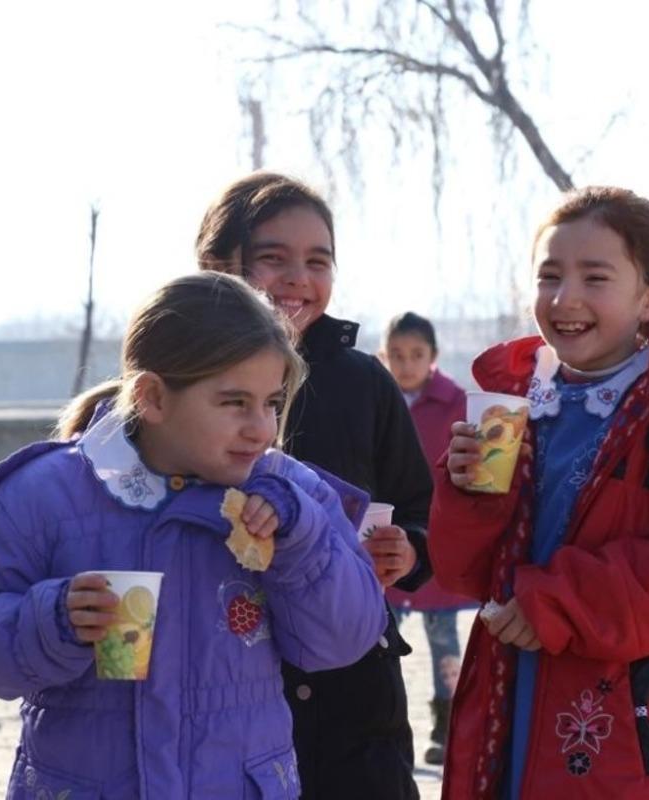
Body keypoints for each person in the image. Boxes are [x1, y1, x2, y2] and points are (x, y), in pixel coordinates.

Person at [0, 272, 386, 798]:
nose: (261, 428)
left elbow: (345, 638)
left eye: (271, 402)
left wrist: (301, 540)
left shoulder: (290, 495)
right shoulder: (44, 493)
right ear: (152, 398)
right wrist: (52, 619)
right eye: (235, 402)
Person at [429, 187, 649, 799]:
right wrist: (468, 493)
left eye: (596, 277)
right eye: (550, 276)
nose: (566, 299)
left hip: (636, 723)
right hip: (515, 692)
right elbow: (465, 571)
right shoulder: (514, 399)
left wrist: (556, 602)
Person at [197, 172, 434, 799]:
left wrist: (408, 548)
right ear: (218, 265)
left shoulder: (367, 383)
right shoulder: (177, 385)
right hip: (223, 681)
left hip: (354, 698)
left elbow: (418, 507)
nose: (298, 278)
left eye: (317, 260)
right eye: (272, 259)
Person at [379, 310, 478, 766]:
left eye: (416, 354)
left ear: (433, 357)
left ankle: (445, 720)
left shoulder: (455, 402)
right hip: (383, 540)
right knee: (378, 634)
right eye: (397, 355)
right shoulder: (376, 398)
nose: (406, 364)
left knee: (443, 641)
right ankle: (378, 714)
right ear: (384, 355)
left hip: (431, 540)